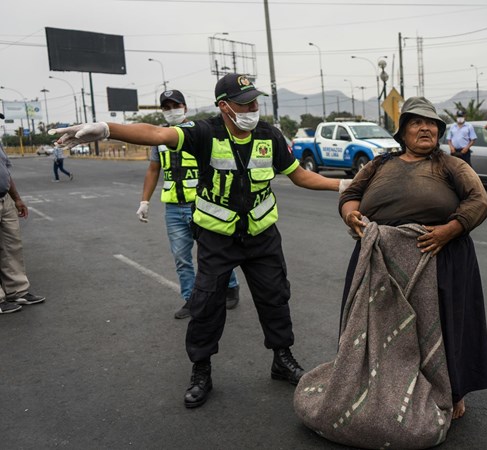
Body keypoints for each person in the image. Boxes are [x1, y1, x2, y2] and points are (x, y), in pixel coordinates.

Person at [50, 73, 347, 408]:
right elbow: (156, 133)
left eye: (255, 101)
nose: (252, 108)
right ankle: (201, 369)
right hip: (217, 238)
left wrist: (341, 186)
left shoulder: (269, 136)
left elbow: (298, 174)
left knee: (275, 298)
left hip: (262, 236)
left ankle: (282, 358)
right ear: (224, 107)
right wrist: (107, 129)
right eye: (244, 103)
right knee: (206, 305)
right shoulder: (204, 132)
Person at [340, 97, 487, 420]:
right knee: (378, 328)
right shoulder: (380, 164)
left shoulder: (451, 165)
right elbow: (351, 194)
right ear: (402, 132)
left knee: (444, 326)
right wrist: (351, 215)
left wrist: (448, 230)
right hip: (381, 257)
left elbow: (478, 201)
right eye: (416, 122)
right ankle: (376, 388)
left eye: (432, 124)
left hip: (438, 254)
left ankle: (452, 393)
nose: (425, 128)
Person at [136, 89, 241, 319]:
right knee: (181, 257)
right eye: (166, 107)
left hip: (202, 204)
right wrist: (145, 200)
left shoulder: (200, 133)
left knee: (214, 251)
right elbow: (154, 170)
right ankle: (191, 300)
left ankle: (231, 286)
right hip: (173, 209)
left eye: (175, 106)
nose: (170, 111)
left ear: (185, 108)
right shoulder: (160, 139)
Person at [0, 132, 46, 314]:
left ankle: (17, 291)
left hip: (5, 199)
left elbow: (5, 172)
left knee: (12, 247)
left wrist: (17, 198)